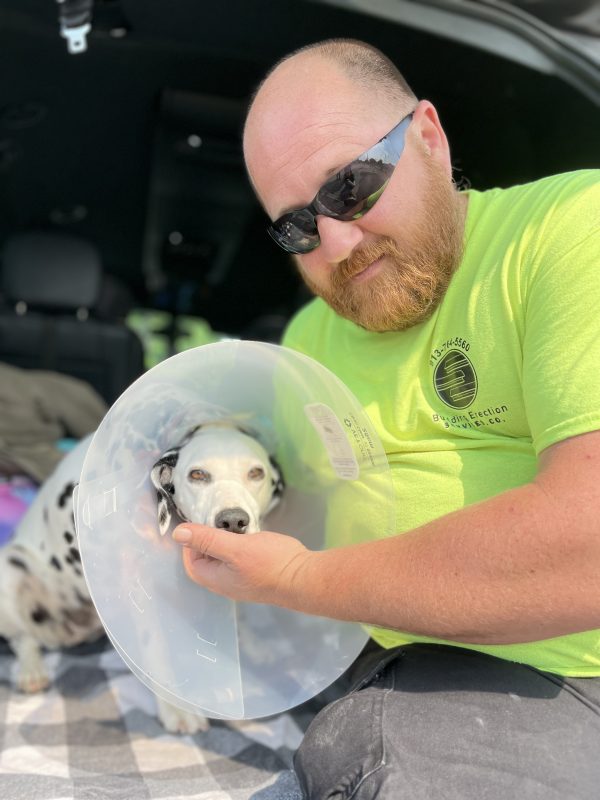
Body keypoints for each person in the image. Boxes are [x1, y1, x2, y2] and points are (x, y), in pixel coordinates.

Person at [173, 39, 600, 798]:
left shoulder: (571, 229)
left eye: (352, 186)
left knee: (369, 750)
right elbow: (279, 499)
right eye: (297, 227)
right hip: (355, 662)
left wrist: (304, 579)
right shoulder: (304, 344)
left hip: (562, 675)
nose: (335, 241)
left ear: (429, 137)